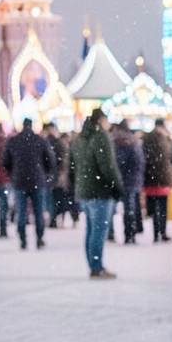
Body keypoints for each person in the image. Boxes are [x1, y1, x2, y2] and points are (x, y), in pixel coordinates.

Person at [69, 108, 123, 279]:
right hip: (99, 191)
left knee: (91, 230)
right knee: (98, 232)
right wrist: (117, 187)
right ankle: (97, 267)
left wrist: (76, 186)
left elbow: (70, 167)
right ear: (101, 120)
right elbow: (108, 166)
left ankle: (94, 265)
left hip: (84, 191)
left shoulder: (78, 139)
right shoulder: (101, 136)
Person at [2, 117, 55, 250]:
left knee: (21, 212)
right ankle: (39, 238)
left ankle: (23, 239)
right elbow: (50, 160)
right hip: (37, 180)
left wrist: (13, 173)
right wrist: (45, 173)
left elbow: (5, 161)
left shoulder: (13, 141)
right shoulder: (40, 140)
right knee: (38, 212)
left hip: (19, 181)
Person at [111, 119, 145, 244]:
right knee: (130, 208)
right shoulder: (133, 141)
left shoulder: (116, 141)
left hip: (121, 179)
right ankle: (130, 233)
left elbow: (119, 163)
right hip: (133, 180)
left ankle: (112, 233)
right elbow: (139, 163)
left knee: (113, 208)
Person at [143, 119, 172, 243]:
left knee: (154, 208)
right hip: (162, 179)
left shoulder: (147, 138)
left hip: (150, 179)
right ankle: (161, 231)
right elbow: (170, 156)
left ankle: (156, 233)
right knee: (162, 208)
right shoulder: (164, 139)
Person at [43, 123, 74, 227]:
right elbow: (64, 160)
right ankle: (54, 218)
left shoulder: (44, 142)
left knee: (50, 199)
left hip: (46, 176)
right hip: (55, 175)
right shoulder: (57, 143)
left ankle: (52, 218)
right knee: (56, 199)